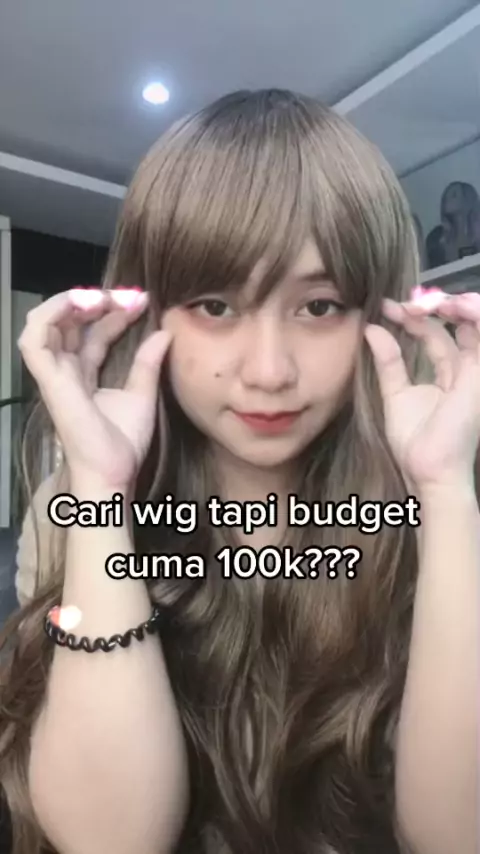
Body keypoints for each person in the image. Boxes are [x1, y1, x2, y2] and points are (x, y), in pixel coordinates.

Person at [0, 89, 478, 854]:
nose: (268, 371)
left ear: (377, 316)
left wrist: (446, 493)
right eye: (216, 306)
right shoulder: (76, 511)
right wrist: (101, 489)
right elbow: (110, 840)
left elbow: (459, 833)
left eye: (319, 306)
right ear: (147, 314)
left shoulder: (442, 512)